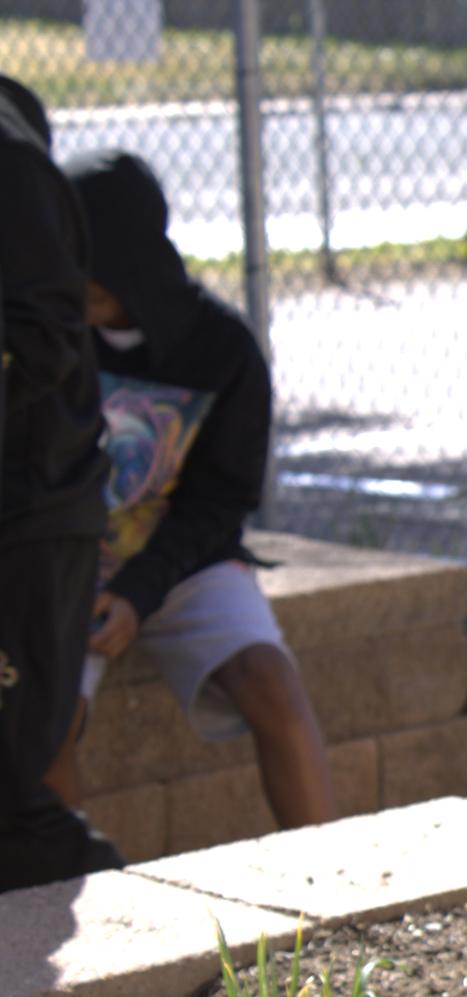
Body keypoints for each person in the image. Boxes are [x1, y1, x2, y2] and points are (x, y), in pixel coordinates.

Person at [43, 150, 336, 831]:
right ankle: (52, 891)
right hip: (65, 565)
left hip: (182, 563)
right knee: (47, 718)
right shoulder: (44, 336)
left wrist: (140, 592)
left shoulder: (220, 349)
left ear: (128, 262)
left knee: (272, 685)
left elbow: (219, 501)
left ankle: (334, 891)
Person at [0, 76, 122, 889]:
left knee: (10, 788)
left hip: (31, 512)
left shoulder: (10, 168)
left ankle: (147, 952)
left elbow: (41, 339)